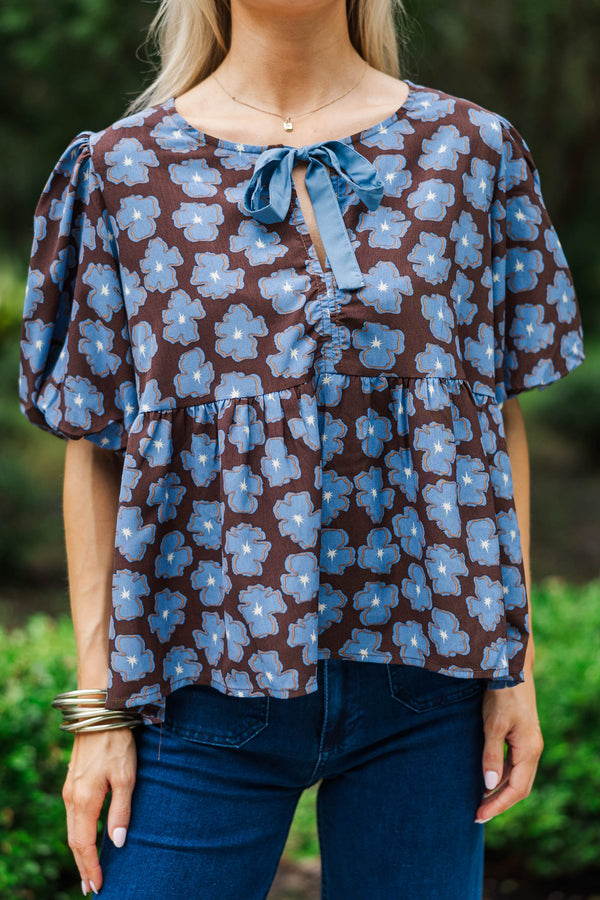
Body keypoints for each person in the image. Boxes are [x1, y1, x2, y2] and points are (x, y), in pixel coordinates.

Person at [18, 0, 585, 897]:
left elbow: (489, 415)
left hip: (426, 688)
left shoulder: (474, 152)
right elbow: (96, 447)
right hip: (196, 692)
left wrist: (509, 667)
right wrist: (99, 714)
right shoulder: (122, 172)